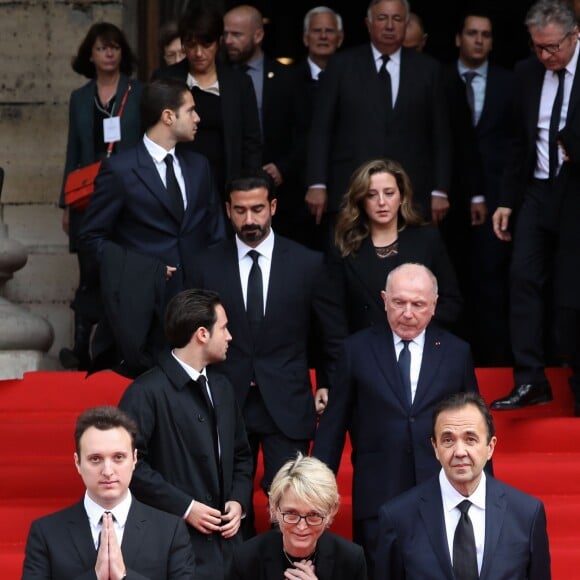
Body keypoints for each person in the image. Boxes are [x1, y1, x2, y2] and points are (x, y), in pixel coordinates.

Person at [190, 171, 345, 536]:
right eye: (241, 211)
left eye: (258, 209)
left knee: (290, 502)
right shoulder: (204, 264)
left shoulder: (307, 263)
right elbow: (190, 335)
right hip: (225, 397)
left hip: (286, 401)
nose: (250, 220)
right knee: (227, 503)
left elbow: (330, 335)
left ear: (273, 207)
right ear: (227, 210)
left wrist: (327, 382)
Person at [312, 262, 478, 576]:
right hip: (378, 490)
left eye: (418, 304)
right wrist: (315, 485)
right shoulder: (356, 349)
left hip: (440, 490)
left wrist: (483, 490)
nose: (407, 312)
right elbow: (334, 425)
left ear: (434, 306)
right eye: (399, 302)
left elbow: (474, 428)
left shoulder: (456, 353)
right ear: (384, 299)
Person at [79, 78, 225, 376]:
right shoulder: (120, 170)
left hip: (199, 306)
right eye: (191, 111)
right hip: (146, 310)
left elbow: (216, 232)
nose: (198, 118)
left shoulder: (199, 166)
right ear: (168, 116)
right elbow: (91, 237)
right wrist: (142, 269)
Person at [118, 289, 253, 580]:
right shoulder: (145, 392)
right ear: (202, 334)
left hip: (226, 551)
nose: (229, 337)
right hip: (170, 549)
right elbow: (128, 465)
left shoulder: (223, 387)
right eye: (224, 328)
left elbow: (241, 454)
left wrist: (239, 501)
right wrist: (186, 508)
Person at [491, 0, 580, 413]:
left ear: (574, 34)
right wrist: (506, 201)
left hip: (576, 192)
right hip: (536, 190)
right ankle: (529, 379)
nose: (546, 56)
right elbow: (516, 143)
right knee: (523, 279)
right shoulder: (528, 74)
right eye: (538, 47)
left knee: (570, 292)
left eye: (553, 48)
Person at [305, 0, 452, 250]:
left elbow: (441, 135)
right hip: (351, 186)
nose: (389, 26)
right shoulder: (341, 65)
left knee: (408, 262)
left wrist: (441, 189)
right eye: (382, 18)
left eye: (397, 19)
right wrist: (317, 183)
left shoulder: (429, 69)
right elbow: (322, 129)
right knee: (348, 259)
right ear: (368, 23)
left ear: (406, 24)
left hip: (411, 190)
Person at [374, 392, 551, 579]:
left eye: (470, 439)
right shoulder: (398, 517)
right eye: (448, 440)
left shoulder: (527, 514)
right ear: (435, 447)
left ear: (490, 447)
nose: (459, 452)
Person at [22, 406, 194, 579]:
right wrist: (94, 576)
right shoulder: (46, 532)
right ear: (77, 462)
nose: (108, 471)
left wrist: (124, 576)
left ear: (134, 459)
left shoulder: (170, 531)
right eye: (95, 459)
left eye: (118, 457)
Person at [59, 22, 143, 371]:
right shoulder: (80, 98)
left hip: (126, 192)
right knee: (89, 269)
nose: (109, 53)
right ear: (90, 56)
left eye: (115, 47)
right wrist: (65, 203)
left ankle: (117, 347)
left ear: (123, 53)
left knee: (121, 270)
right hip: (87, 195)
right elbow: (73, 150)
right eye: (102, 48)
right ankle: (81, 347)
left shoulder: (138, 93)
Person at [441, 10, 514, 365]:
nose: (479, 40)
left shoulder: (508, 81)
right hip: (445, 199)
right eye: (472, 33)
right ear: (458, 38)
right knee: (447, 282)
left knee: (490, 282)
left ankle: (495, 363)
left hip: (496, 199)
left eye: (486, 34)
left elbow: (517, 142)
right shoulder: (438, 78)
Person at [330, 158, 462, 334]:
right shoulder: (343, 244)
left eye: (389, 193)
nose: (382, 202)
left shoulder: (427, 239)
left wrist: (414, 329)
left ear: (402, 196)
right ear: (361, 200)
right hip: (364, 351)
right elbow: (333, 312)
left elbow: (451, 301)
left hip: (418, 347)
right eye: (371, 195)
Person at [154, 5, 262, 201]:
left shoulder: (238, 83)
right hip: (177, 182)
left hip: (226, 183)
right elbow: (154, 134)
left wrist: (248, 186)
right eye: (191, 44)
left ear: (219, 42)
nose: (198, 53)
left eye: (206, 44)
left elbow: (251, 140)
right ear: (183, 44)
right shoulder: (165, 78)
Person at [223, 5, 303, 241]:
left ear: (258, 36)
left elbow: (304, 131)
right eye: (225, 34)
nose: (228, 41)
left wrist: (283, 166)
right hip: (231, 188)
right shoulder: (218, 75)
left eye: (236, 34)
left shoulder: (288, 77)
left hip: (283, 193)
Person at [231, 453, 367, 579]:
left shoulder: (351, 559)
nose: (302, 527)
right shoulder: (246, 558)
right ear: (274, 508)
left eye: (313, 515)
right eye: (291, 514)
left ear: (331, 510)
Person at [292, 6, 344, 249]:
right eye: (317, 31)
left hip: (343, 189)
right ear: (305, 38)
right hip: (294, 189)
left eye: (329, 31)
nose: (323, 37)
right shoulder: (286, 80)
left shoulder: (356, 79)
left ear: (340, 38)